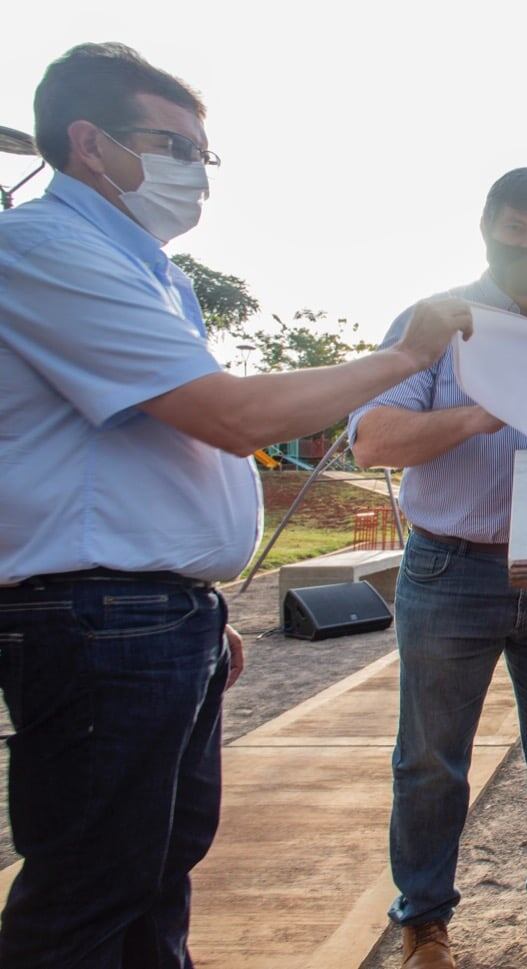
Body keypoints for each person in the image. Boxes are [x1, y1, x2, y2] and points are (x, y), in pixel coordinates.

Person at [0, 43, 471, 969]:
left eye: (202, 156)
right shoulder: (46, 250)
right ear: (89, 143)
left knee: (158, 867)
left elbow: (160, 443)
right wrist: (406, 355)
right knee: (91, 888)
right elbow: (230, 414)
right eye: (172, 146)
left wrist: (195, 607)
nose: (194, 174)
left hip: (149, 615)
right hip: (97, 617)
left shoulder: (151, 273)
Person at [350, 167, 527, 969]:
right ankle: (425, 920)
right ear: (487, 225)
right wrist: (481, 413)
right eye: (516, 228)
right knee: (431, 756)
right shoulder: (436, 323)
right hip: (450, 566)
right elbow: (375, 440)